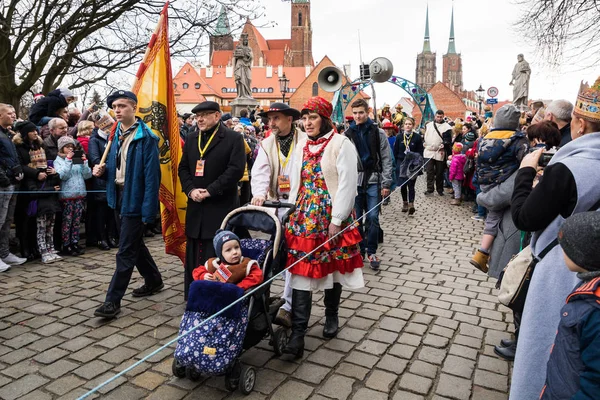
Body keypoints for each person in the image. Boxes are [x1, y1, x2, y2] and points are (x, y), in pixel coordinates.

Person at [508, 76, 600, 400]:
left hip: (562, 270)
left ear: (578, 123)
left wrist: (525, 171)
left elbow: (524, 217)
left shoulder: (569, 168)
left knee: (546, 351)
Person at [283, 96, 363, 358]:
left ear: (325, 119)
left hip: (330, 215)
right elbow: (296, 179)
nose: (307, 123)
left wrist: (337, 219)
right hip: (305, 216)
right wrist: (289, 208)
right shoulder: (302, 145)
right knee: (301, 271)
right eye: (304, 118)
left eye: (313, 118)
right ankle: (298, 334)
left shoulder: (342, 144)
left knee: (333, 267)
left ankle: (331, 315)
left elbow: (348, 184)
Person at [93, 90, 163, 319]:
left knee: (125, 251)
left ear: (134, 107)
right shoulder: (114, 135)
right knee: (133, 244)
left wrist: (149, 210)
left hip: (136, 198)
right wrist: (101, 172)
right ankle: (153, 280)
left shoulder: (147, 138)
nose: (118, 110)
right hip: (117, 196)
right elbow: (116, 170)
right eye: (115, 106)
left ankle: (112, 301)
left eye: (123, 105)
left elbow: (153, 178)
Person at [178, 101, 245, 300]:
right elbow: (183, 169)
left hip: (220, 205)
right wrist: (190, 190)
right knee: (194, 252)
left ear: (217, 116)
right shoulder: (191, 139)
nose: (199, 119)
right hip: (196, 206)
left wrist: (210, 191)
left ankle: (215, 296)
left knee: (216, 251)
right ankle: (193, 293)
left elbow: (235, 170)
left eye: (205, 114)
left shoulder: (233, 138)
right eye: (197, 115)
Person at [250, 102, 304, 328]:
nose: (271, 123)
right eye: (269, 119)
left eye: (276, 118)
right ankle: (269, 297)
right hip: (277, 204)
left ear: (289, 119)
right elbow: (260, 171)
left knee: (294, 254)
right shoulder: (266, 144)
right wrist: (259, 195)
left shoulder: (304, 140)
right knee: (274, 252)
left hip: (300, 203)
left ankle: (289, 305)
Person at [539, 211, 600, 399]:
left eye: (565, 247)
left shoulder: (594, 311)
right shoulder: (588, 290)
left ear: (581, 255)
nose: (561, 252)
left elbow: (594, 383)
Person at [470, 104, 528, 273]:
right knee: (494, 218)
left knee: (491, 215)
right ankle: (482, 252)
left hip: (485, 181)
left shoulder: (485, 137)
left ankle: (484, 251)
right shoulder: (517, 139)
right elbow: (524, 161)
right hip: (503, 181)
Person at [344, 98, 393, 271]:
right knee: (356, 219)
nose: (357, 116)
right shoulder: (347, 134)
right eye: (355, 113)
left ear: (367, 112)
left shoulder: (377, 132)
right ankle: (360, 250)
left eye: (361, 113)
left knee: (372, 217)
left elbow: (387, 158)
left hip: (373, 179)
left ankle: (371, 251)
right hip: (354, 181)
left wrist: (386, 183)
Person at [12, 121, 55, 261]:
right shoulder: (19, 147)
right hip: (27, 184)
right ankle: (26, 247)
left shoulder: (40, 145)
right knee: (25, 218)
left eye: (36, 131)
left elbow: (49, 159)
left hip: (43, 182)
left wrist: (49, 170)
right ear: (25, 134)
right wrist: (35, 173)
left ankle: (37, 247)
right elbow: (19, 164)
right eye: (32, 131)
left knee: (37, 217)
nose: (35, 133)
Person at [54, 136, 92, 256]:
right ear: (61, 148)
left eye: (72, 147)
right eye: (67, 147)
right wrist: (68, 160)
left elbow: (87, 175)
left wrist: (85, 163)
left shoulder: (77, 159)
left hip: (79, 194)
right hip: (67, 196)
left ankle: (75, 242)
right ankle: (66, 244)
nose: (70, 149)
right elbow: (62, 175)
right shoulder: (58, 160)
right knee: (67, 221)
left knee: (76, 221)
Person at [192, 229, 264, 290]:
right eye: (228, 250)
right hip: (215, 294)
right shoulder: (214, 264)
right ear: (220, 254)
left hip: (234, 296)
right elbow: (196, 271)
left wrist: (239, 287)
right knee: (196, 286)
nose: (235, 252)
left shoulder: (246, 264)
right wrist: (203, 275)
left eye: (236, 247)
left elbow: (257, 276)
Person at [0, 103, 26, 272]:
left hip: (12, 183)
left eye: (14, 113)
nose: (13, 115)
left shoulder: (8, 134)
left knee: (7, 220)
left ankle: (4, 253)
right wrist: (3, 178)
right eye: (9, 113)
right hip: (3, 183)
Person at [88, 123, 117, 250]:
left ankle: (110, 236)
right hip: (101, 180)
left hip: (113, 179)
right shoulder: (94, 140)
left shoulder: (114, 138)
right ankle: (101, 238)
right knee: (101, 211)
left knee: (111, 211)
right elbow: (95, 159)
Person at [393, 118, 424, 215]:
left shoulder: (417, 137)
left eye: (410, 124)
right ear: (403, 126)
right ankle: (405, 203)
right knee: (403, 184)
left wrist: (417, 163)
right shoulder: (399, 137)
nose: (408, 126)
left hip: (412, 164)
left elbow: (420, 152)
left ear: (413, 125)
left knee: (411, 184)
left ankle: (411, 204)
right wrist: (394, 164)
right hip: (401, 163)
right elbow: (395, 151)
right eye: (406, 124)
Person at [423, 110, 452, 196]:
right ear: (435, 116)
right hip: (429, 151)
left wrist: (444, 144)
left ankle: (440, 189)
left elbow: (448, 140)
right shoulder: (428, 125)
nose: (439, 118)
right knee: (429, 171)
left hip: (440, 151)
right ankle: (430, 189)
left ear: (443, 116)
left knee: (439, 172)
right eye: (437, 116)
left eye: (440, 117)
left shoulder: (447, 127)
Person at [233, 33, 253, 99]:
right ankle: (241, 94)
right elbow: (235, 57)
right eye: (244, 40)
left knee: (249, 79)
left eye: (246, 41)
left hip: (247, 65)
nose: (245, 42)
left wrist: (248, 55)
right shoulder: (239, 48)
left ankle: (247, 94)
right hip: (240, 64)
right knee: (241, 79)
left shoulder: (249, 49)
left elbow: (251, 57)